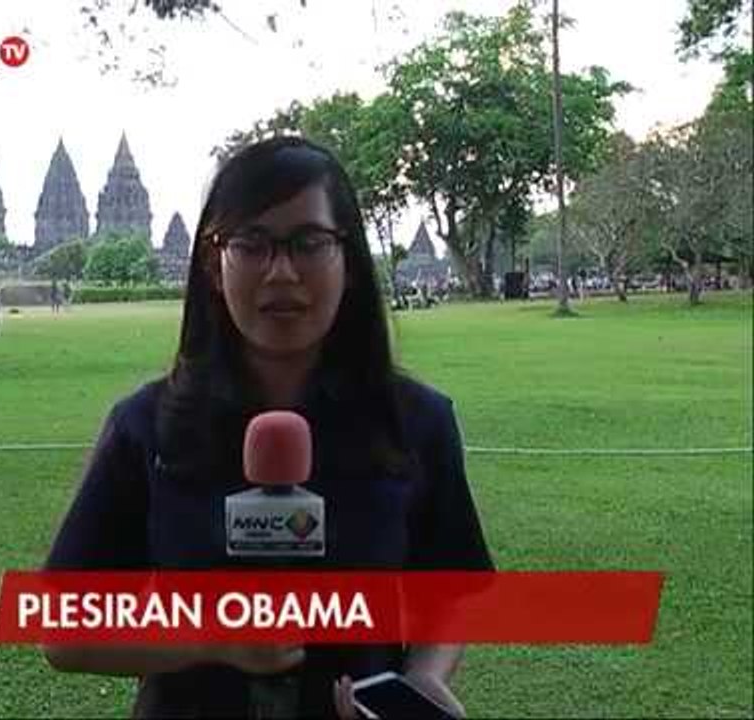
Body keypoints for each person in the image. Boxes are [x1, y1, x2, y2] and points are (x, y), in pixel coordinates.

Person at [42, 137, 492, 718]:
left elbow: (449, 590)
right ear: (214, 264)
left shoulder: (416, 423)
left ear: (349, 261)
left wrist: (423, 678)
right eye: (251, 244)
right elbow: (63, 633)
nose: (281, 272)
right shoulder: (146, 427)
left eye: (309, 243)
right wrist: (213, 639)